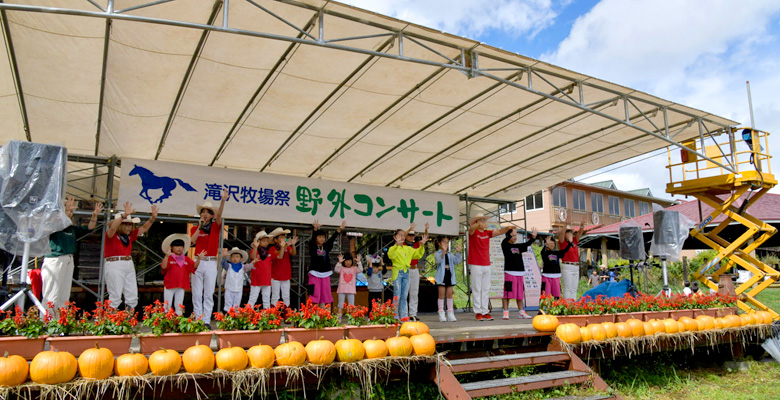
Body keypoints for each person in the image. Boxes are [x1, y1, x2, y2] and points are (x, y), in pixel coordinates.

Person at [42, 197, 102, 310]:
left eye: (71, 212)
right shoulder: (55, 225)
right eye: (67, 211)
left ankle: (60, 322)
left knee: (64, 295)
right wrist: (64, 210)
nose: (70, 213)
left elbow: (89, 229)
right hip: (56, 259)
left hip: (68, 259)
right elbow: (54, 222)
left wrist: (94, 215)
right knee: (51, 293)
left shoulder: (72, 228)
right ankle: (47, 322)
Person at [104, 201, 157, 310]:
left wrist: (152, 218)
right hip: (114, 263)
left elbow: (144, 228)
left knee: (132, 295)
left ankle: (128, 321)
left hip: (128, 262)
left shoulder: (130, 236)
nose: (129, 227)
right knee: (115, 295)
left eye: (130, 224)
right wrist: (124, 215)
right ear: (121, 225)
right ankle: (109, 322)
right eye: (127, 224)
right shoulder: (111, 235)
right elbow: (113, 228)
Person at [190, 189, 228, 325]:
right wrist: (200, 227)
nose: (205, 214)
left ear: (212, 215)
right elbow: (191, 242)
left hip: (211, 262)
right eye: (203, 211)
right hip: (198, 261)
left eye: (208, 212)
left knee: (208, 293)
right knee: (196, 293)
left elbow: (220, 216)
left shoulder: (215, 227)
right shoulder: (195, 228)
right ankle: (198, 319)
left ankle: (206, 320)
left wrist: (223, 201)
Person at [467, 213, 511, 321]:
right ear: (476, 222)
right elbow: (471, 228)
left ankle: (485, 311)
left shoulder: (487, 233)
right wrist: (478, 224)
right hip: (476, 263)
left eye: (484, 220)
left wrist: (508, 227)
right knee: (477, 288)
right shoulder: (473, 232)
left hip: (486, 263)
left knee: (485, 289)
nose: (483, 222)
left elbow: (500, 231)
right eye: (480, 220)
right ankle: (478, 312)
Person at [388, 224, 428, 320]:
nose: (402, 237)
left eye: (403, 235)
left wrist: (422, 245)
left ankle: (404, 316)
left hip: (406, 272)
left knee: (404, 295)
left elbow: (417, 254)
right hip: (398, 272)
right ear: (395, 237)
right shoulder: (393, 248)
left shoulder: (408, 248)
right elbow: (391, 255)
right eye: (400, 235)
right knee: (397, 294)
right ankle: (395, 315)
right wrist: (396, 244)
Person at [161, 234, 205, 315]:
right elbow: (163, 267)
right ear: (171, 248)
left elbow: (193, 267)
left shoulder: (186, 259)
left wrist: (199, 259)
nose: (179, 248)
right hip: (169, 285)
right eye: (176, 246)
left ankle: (178, 324)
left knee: (179, 306)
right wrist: (166, 256)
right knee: (167, 306)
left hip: (181, 286)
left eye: (181, 246)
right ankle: (165, 325)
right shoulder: (169, 258)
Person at [501, 227, 538, 320]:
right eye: (513, 236)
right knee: (507, 293)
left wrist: (533, 238)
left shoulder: (518, 246)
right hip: (510, 272)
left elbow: (527, 243)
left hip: (520, 273)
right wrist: (511, 232)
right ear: (508, 236)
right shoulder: (505, 245)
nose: (515, 237)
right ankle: (505, 312)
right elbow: (506, 239)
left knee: (520, 294)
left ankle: (521, 312)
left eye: (516, 236)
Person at [308, 220, 346, 306]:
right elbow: (313, 239)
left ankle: (323, 313)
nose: (322, 239)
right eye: (319, 237)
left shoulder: (326, 246)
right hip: (314, 272)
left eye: (323, 237)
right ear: (316, 238)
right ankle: (313, 313)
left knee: (325, 292)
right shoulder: (312, 246)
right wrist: (315, 229)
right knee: (314, 292)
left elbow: (332, 238)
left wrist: (339, 229)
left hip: (325, 272)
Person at [433, 236, 463, 322]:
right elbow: (438, 261)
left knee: (449, 295)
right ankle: (441, 313)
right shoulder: (437, 253)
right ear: (439, 244)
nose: (446, 244)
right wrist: (443, 252)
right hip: (441, 277)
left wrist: (458, 252)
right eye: (444, 242)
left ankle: (450, 313)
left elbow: (457, 261)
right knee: (441, 295)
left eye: (447, 242)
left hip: (449, 277)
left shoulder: (450, 254)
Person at [404, 223, 428, 322]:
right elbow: (401, 236)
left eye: (413, 235)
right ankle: (404, 314)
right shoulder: (403, 244)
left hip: (415, 269)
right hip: (406, 269)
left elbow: (425, 238)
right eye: (409, 235)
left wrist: (426, 229)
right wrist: (409, 228)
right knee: (405, 293)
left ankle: (413, 314)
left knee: (414, 292)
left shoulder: (416, 244)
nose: (411, 237)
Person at [268, 227, 298, 307]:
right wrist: (283, 246)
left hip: (286, 275)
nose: (283, 238)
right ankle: (274, 316)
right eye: (281, 237)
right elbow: (280, 256)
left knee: (286, 296)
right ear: (275, 240)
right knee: (275, 296)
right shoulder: (272, 249)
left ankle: (287, 316)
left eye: (284, 237)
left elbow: (293, 253)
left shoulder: (286, 247)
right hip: (275, 276)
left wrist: (293, 245)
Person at [556, 221, 585, 300]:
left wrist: (582, 225)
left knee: (574, 289)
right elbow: (561, 235)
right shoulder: (563, 243)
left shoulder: (574, 241)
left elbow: (579, 233)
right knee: (568, 288)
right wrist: (565, 224)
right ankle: (567, 305)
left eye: (570, 232)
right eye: (567, 232)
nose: (569, 234)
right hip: (567, 265)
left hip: (576, 266)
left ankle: (573, 305)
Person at [540, 235, 573, 300]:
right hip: (546, 276)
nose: (552, 245)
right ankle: (543, 308)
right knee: (545, 294)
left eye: (553, 243)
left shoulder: (556, 253)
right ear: (546, 244)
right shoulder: (544, 253)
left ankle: (555, 307)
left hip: (556, 276)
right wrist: (546, 244)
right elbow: (542, 251)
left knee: (557, 294)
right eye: (550, 243)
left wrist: (570, 243)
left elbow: (564, 251)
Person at [220, 247, 251, 312]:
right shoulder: (229, 266)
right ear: (230, 258)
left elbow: (249, 267)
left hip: (239, 289)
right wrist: (224, 257)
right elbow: (223, 264)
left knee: (237, 305)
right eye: (233, 257)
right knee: (228, 304)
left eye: (237, 257)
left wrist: (254, 262)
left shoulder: (243, 267)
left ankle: (235, 319)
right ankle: (227, 318)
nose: (235, 259)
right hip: (229, 289)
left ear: (241, 258)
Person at [248, 231, 273, 308]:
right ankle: (247, 315)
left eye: (266, 241)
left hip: (266, 279)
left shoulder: (268, 252)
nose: (266, 243)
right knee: (253, 298)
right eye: (263, 241)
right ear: (258, 242)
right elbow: (253, 257)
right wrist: (255, 247)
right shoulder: (254, 250)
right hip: (257, 279)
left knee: (266, 299)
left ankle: (267, 317)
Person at [335, 253, 363, 318]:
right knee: (340, 305)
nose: (348, 262)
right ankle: (338, 321)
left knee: (351, 306)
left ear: (352, 261)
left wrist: (359, 262)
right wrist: (339, 262)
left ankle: (351, 320)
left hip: (351, 291)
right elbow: (336, 270)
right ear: (343, 261)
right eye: (346, 261)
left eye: (350, 261)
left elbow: (361, 269)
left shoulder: (354, 268)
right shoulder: (341, 268)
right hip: (341, 290)